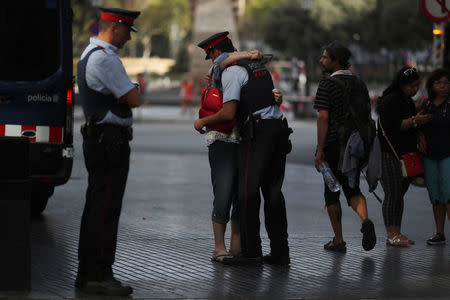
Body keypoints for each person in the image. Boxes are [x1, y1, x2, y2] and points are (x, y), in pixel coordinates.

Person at [194, 32, 291, 266]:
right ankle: (280, 252)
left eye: (211, 58)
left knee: (247, 193)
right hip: (279, 128)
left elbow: (228, 112)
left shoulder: (231, 72)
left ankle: (250, 251)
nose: (213, 66)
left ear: (216, 53)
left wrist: (202, 122)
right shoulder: (257, 67)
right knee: (273, 194)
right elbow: (266, 98)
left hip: (258, 133)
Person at [75, 7, 141, 296]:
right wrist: (132, 89)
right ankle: (100, 275)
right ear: (114, 28)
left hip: (99, 141)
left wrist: (128, 90)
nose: (128, 37)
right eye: (127, 30)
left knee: (96, 207)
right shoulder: (105, 59)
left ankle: (87, 273)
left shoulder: (89, 55)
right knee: (106, 210)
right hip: (110, 143)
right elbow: (134, 98)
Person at [313, 41, 376, 253]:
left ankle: (338, 240)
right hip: (356, 145)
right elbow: (367, 117)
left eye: (324, 57)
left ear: (335, 60)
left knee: (331, 192)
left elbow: (323, 118)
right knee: (353, 188)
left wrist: (320, 150)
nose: (321, 61)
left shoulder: (327, 84)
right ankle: (365, 220)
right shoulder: (360, 83)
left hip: (332, 145)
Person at [376, 66, 432, 247]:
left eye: (417, 85)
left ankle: (396, 233)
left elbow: (410, 126)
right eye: (411, 86)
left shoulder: (406, 100)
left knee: (398, 195)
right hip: (390, 155)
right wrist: (416, 120)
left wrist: (419, 131)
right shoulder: (391, 100)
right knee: (393, 195)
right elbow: (394, 126)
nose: (414, 90)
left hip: (404, 156)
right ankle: (391, 234)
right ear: (401, 85)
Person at [421, 68, 450, 245]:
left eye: (446, 83)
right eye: (439, 83)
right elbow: (417, 126)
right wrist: (420, 137)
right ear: (431, 85)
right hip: (430, 155)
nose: (443, 86)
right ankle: (439, 233)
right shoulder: (426, 104)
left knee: (449, 194)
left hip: (448, 154)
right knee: (436, 196)